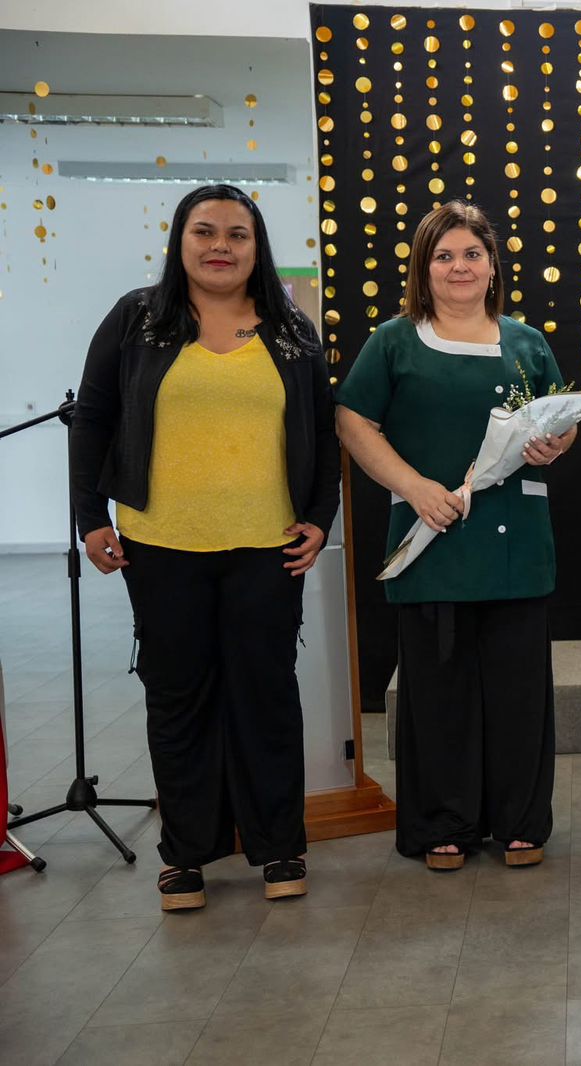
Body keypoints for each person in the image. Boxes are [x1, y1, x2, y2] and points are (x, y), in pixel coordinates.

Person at [69, 184, 339, 909]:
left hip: (267, 547)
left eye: (237, 234)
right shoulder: (137, 320)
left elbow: (322, 429)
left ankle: (279, 847)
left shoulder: (291, 329)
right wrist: (89, 516)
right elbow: (93, 418)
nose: (221, 246)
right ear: (180, 241)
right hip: (161, 547)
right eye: (205, 231)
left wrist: (321, 517)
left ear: (257, 246)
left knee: (266, 698)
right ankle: (185, 855)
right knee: (178, 699)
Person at [337, 201, 570, 871]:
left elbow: (561, 420)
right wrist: (413, 487)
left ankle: (519, 821)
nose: (459, 266)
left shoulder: (527, 343)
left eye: (472, 254)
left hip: (515, 545)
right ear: (423, 268)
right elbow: (353, 420)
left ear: (493, 266)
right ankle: (443, 821)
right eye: (444, 256)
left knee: (518, 692)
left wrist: (557, 442)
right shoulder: (394, 342)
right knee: (439, 693)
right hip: (431, 541)